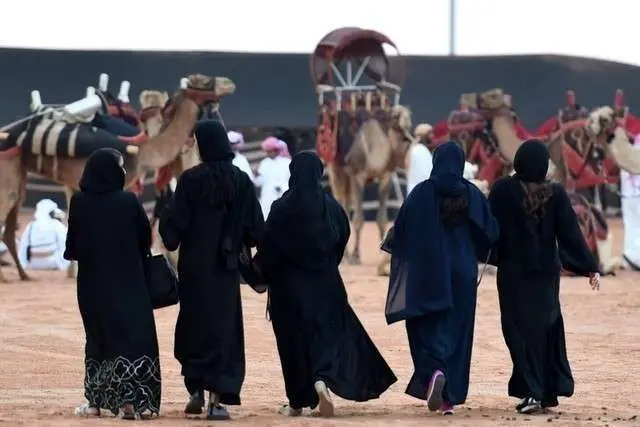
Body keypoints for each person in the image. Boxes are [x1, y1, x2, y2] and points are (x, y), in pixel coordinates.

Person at [259, 151, 397, 418]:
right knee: (325, 335)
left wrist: (268, 272)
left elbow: (268, 245)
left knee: (292, 344)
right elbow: (341, 238)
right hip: (325, 286)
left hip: (288, 291)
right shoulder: (331, 207)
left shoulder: (280, 209)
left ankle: (298, 401)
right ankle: (321, 378)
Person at [159, 120, 264, 421]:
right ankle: (217, 402)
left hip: (194, 272)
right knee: (223, 331)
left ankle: (195, 392)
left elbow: (173, 232)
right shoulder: (241, 181)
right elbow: (256, 231)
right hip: (226, 272)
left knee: (194, 327)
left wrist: (167, 216)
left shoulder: (190, 180)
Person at [385, 141, 499, 415]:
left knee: (424, 324)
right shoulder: (470, 193)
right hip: (462, 271)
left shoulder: (422, 193)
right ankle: (449, 398)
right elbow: (492, 232)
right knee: (458, 332)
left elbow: (401, 230)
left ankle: (434, 370)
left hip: (428, 270)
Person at [488, 140, 601, 414]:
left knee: (517, 332)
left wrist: (484, 253)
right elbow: (570, 235)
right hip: (545, 277)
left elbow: (488, 228)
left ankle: (533, 392)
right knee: (544, 331)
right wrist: (589, 265)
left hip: (514, 275)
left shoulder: (503, 190)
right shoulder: (557, 193)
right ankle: (544, 392)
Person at [64, 148, 161, 420]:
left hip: (92, 285)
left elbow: (72, 249)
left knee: (98, 339)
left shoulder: (79, 202)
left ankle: (95, 403)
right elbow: (145, 240)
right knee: (132, 336)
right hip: (130, 282)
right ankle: (133, 402)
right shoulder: (128, 202)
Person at [18, 199, 70, 271]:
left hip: (33, 263)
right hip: (53, 263)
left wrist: (23, 264)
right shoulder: (56, 224)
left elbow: (23, 247)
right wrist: (64, 264)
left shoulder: (31, 225)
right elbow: (64, 242)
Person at [255, 137, 290, 219]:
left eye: (271, 151)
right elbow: (258, 182)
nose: (269, 153)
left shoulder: (287, 162)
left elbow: (291, 180)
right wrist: (256, 175)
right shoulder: (264, 163)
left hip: (283, 195)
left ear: (276, 150)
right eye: (267, 151)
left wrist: (282, 188)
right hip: (268, 197)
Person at [620, 135, 640, 270]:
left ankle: (630, 257)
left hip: (628, 193)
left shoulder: (631, 145)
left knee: (631, 225)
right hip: (635, 192)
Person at [406, 124, 434, 195]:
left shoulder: (416, 149)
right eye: (430, 134)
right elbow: (425, 174)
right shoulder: (420, 150)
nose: (432, 136)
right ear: (424, 135)